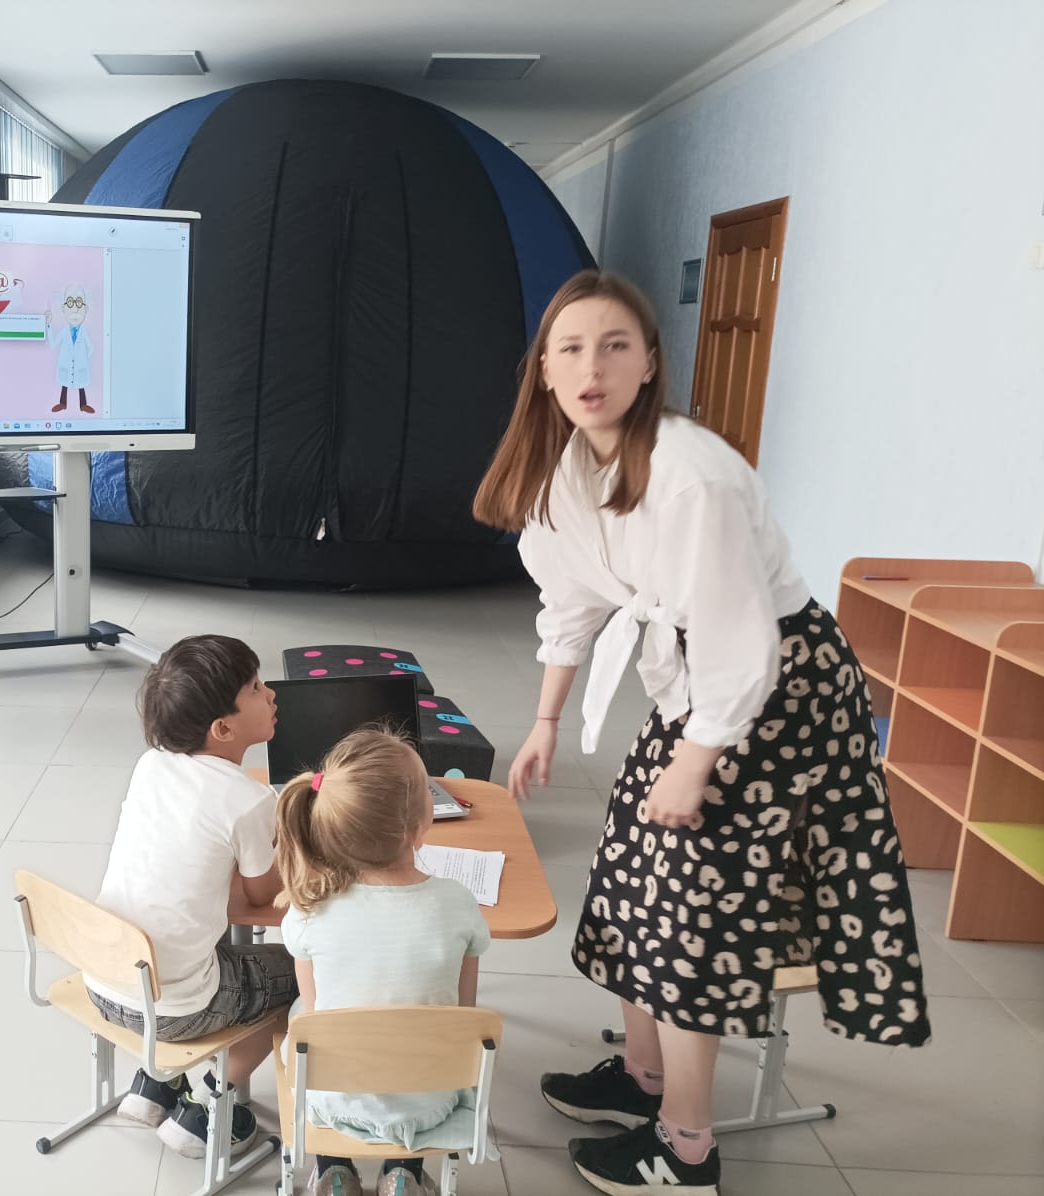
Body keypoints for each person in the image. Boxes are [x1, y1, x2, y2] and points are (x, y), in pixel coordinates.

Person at [472, 270, 930, 1195]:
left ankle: (685, 1149)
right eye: (571, 349)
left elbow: (740, 641)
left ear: (650, 363)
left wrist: (695, 759)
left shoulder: (691, 475)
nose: (592, 368)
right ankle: (644, 1081)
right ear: (544, 370)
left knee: (692, 908)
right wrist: (547, 719)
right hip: (697, 684)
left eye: (614, 346)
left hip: (775, 693)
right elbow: (572, 601)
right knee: (633, 873)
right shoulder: (566, 467)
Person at [83, 634, 295, 1159]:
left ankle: (155, 1082)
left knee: (193, 926)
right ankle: (206, 1107)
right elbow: (262, 894)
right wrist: (291, 836)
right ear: (223, 728)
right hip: (175, 1009)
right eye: (255, 688)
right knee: (302, 974)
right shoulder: (249, 800)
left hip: (104, 981)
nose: (271, 694)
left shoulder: (151, 763)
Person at [275, 728, 490, 1196]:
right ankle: (403, 1175)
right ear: (418, 829)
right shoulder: (458, 902)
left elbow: (315, 1011)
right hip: (431, 1102)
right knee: (428, 1028)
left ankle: (334, 1172)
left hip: (333, 1101)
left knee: (302, 1015)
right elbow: (464, 1013)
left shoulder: (309, 909)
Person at [45, 284, 94, 414]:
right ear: (63, 308)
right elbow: (53, 344)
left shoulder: (84, 331)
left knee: (81, 384)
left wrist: (83, 359)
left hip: (80, 365)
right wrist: (48, 325)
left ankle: (83, 405)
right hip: (66, 365)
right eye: (70, 303)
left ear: (86, 308)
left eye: (79, 303)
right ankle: (62, 403)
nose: (75, 309)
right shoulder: (64, 331)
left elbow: (91, 348)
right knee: (65, 383)